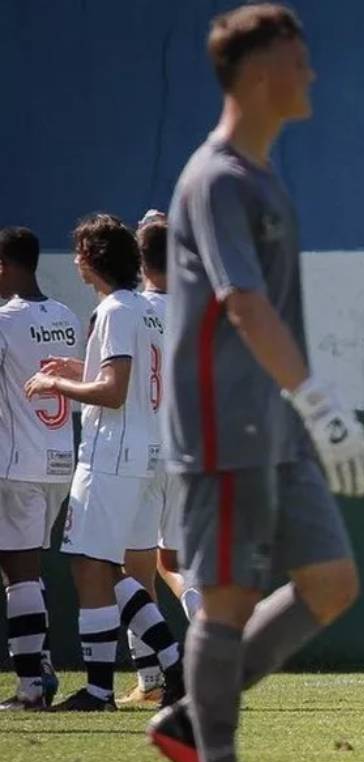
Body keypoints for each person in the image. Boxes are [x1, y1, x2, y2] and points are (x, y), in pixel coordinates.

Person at [146, 3, 364, 762]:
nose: (310, 74)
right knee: (228, 598)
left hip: (275, 424)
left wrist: (307, 408)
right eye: (298, 60)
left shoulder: (263, 175)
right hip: (224, 423)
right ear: (256, 74)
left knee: (331, 581)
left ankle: (187, 719)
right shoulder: (213, 179)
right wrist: (319, 401)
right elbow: (243, 303)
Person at [24, 214, 186, 712]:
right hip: (145, 452)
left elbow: (113, 392)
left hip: (112, 454)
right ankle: (174, 667)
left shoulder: (116, 309)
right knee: (118, 571)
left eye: (78, 252)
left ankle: (101, 689)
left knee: (89, 565)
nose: (74, 260)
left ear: (93, 259)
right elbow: (132, 379)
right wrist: (80, 369)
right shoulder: (146, 308)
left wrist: (58, 385)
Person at [116, 210, 204, 706]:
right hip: (188, 449)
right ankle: (216, 650)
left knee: (134, 569)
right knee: (175, 562)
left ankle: (152, 677)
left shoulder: (129, 309)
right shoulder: (198, 308)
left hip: (142, 451)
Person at [0, 226, 75, 710]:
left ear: (6, 266)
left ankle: (32, 685)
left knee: (20, 572)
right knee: (25, 570)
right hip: (59, 460)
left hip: (18, 463)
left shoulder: (4, 320)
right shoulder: (66, 315)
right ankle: (40, 666)